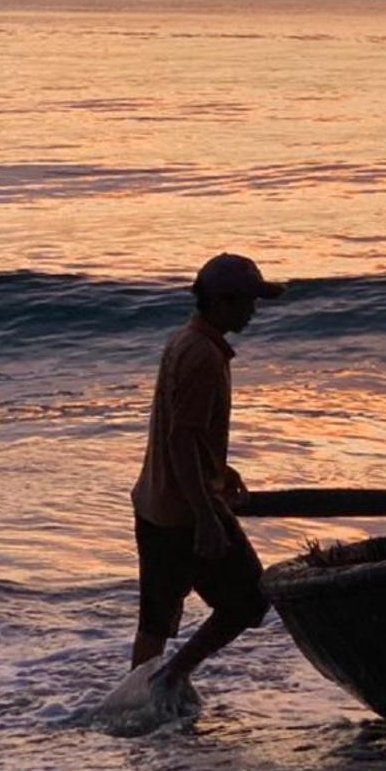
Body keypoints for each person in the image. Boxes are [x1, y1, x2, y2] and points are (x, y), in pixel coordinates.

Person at [121, 252, 283, 720]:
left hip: (154, 502)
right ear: (222, 301)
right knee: (250, 600)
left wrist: (221, 470)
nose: (254, 311)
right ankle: (170, 678)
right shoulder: (204, 357)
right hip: (185, 509)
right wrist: (208, 517)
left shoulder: (185, 342)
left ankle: (139, 706)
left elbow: (186, 433)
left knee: (155, 618)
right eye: (249, 301)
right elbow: (179, 439)